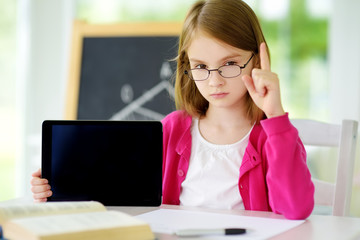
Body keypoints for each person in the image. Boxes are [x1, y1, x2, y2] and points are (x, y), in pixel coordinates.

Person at [31, 0, 314, 220]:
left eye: (230, 63)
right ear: (187, 66)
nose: (214, 80)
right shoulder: (172, 129)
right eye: (201, 66)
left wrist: (275, 116)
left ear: (258, 59)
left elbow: (295, 209)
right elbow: (119, 191)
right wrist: (61, 182)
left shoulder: (273, 135)